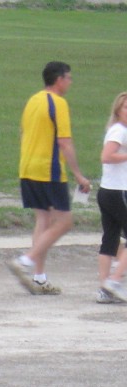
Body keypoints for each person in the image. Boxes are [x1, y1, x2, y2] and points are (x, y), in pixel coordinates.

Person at [9, 61, 92, 296]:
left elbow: (23, 133)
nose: (70, 82)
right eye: (69, 78)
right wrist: (78, 175)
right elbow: (64, 141)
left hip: (28, 168)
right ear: (59, 79)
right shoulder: (58, 103)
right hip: (49, 171)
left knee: (43, 221)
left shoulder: (33, 100)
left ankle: (39, 277)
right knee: (64, 222)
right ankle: (25, 261)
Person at [95, 91, 127, 304]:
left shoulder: (117, 130)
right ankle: (114, 282)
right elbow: (107, 157)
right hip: (118, 191)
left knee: (110, 239)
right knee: (112, 238)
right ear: (118, 110)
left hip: (108, 190)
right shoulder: (119, 131)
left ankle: (104, 288)